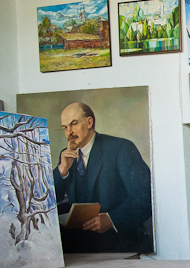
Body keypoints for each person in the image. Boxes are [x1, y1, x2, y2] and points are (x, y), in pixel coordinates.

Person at [53, 102, 152, 253]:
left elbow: (145, 197)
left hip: (117, 245)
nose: (69, 133)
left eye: (73, 124)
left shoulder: (121, 148)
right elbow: (49, 201)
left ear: (89, 122)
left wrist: (112, 219)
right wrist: (62, 170)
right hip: (76, 247)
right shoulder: (66, 155)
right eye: (65, 127)